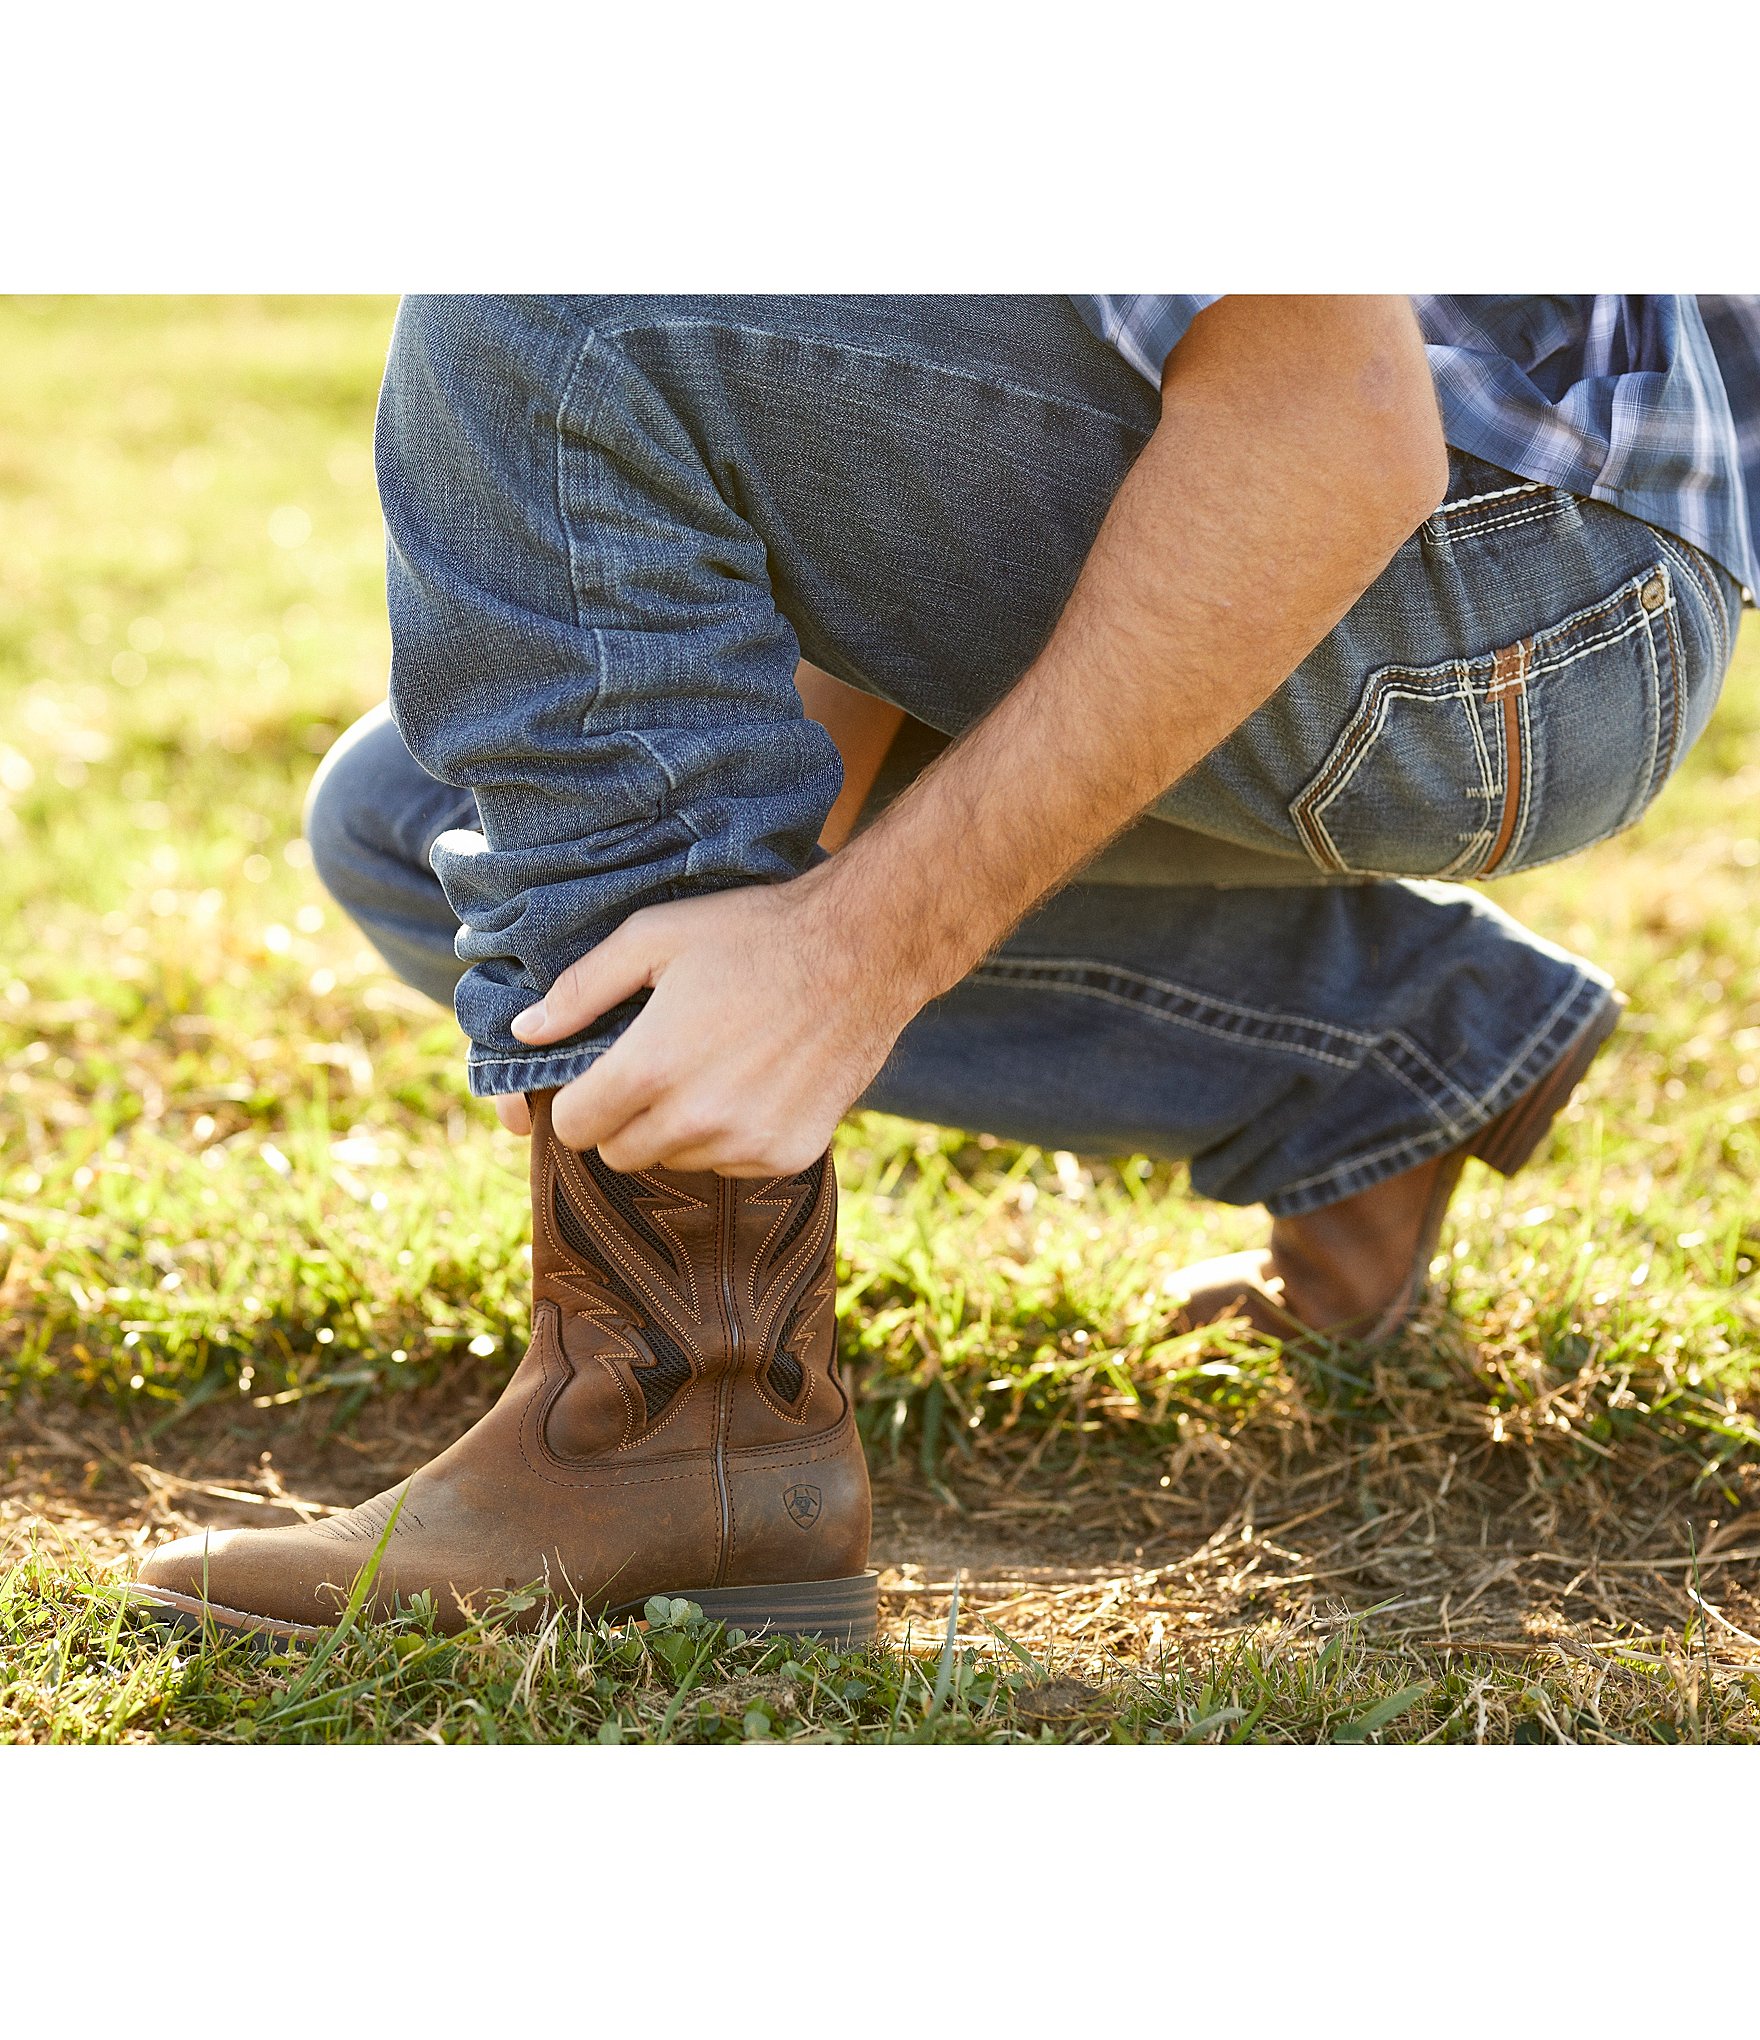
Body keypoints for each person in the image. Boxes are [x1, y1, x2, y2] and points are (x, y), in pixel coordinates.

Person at [131, 295, 1754, 1647]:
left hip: (1509, 568)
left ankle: (682, 1435)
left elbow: (1332, 422)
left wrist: (852, 953)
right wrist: (689, 889)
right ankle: (1381, 1052)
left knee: (543, 309)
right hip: (1427, 535)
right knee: (414, 825)